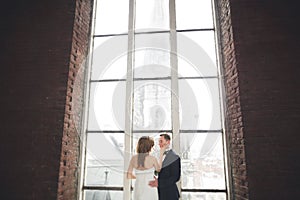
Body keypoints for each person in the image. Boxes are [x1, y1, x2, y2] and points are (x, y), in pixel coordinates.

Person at [149, 133, 181, 200]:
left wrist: (159, 183)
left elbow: (176, 177)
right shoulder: (158, 155)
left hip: (170, 194)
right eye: (159, 142)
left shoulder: (175, 157)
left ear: (168, 142)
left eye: (161, 141)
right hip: (158, 193)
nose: (159, 144)